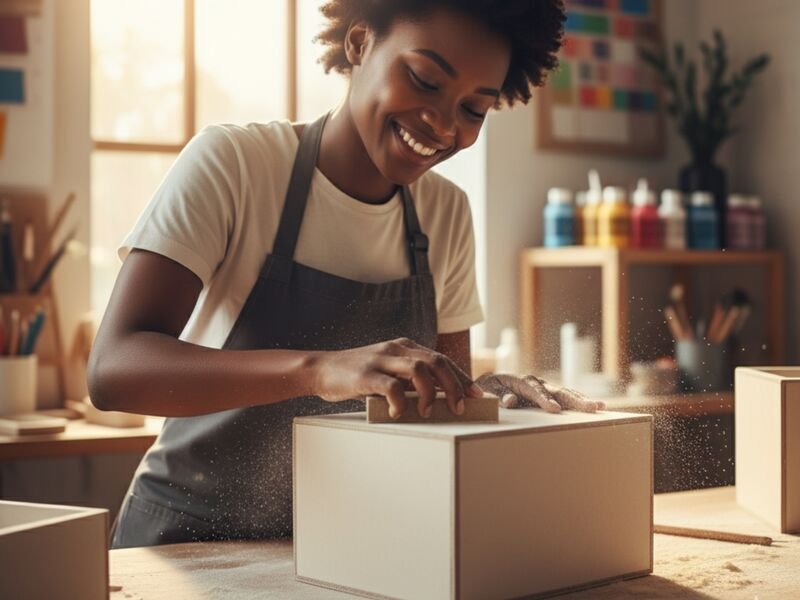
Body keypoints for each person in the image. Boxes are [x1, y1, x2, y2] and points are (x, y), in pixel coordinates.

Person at [89, 0, 601, 549]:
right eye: (424, 80)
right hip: (178, 545)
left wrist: (487, 398)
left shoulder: (445, 213)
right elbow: (114, 370)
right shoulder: (236, 164)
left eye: (474, 109)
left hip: (339, 550)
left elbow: (437, 411)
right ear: (358, 43)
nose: (443, 124)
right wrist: (317, 370)